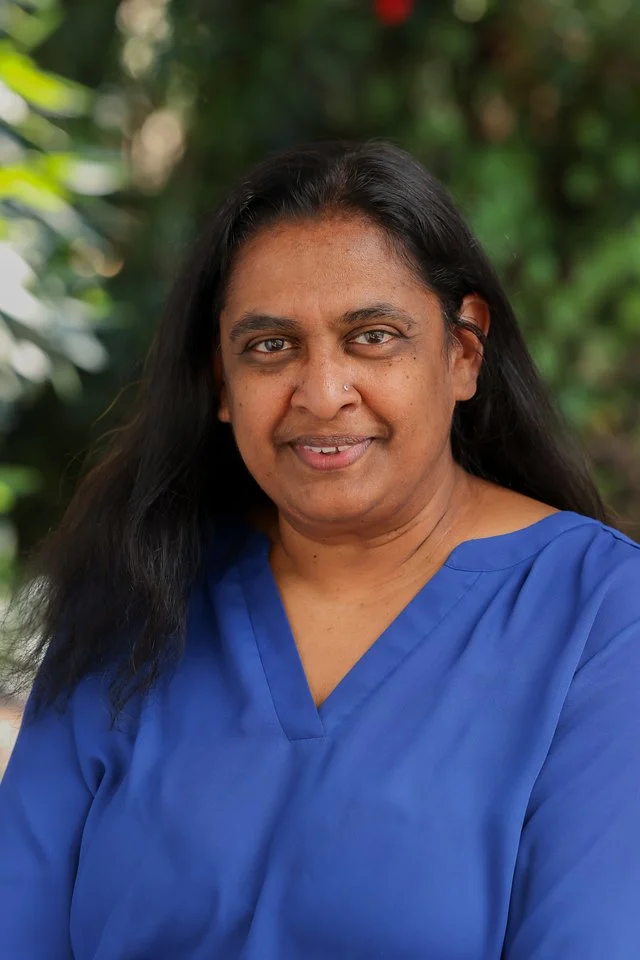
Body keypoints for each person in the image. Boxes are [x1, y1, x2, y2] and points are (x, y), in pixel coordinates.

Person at [1, 140, 639, 960]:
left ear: (463, 353)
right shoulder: (135, 589)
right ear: (221, 382)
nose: (323, 393)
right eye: (271, 346)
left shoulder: (601, 616)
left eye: (372, 336)